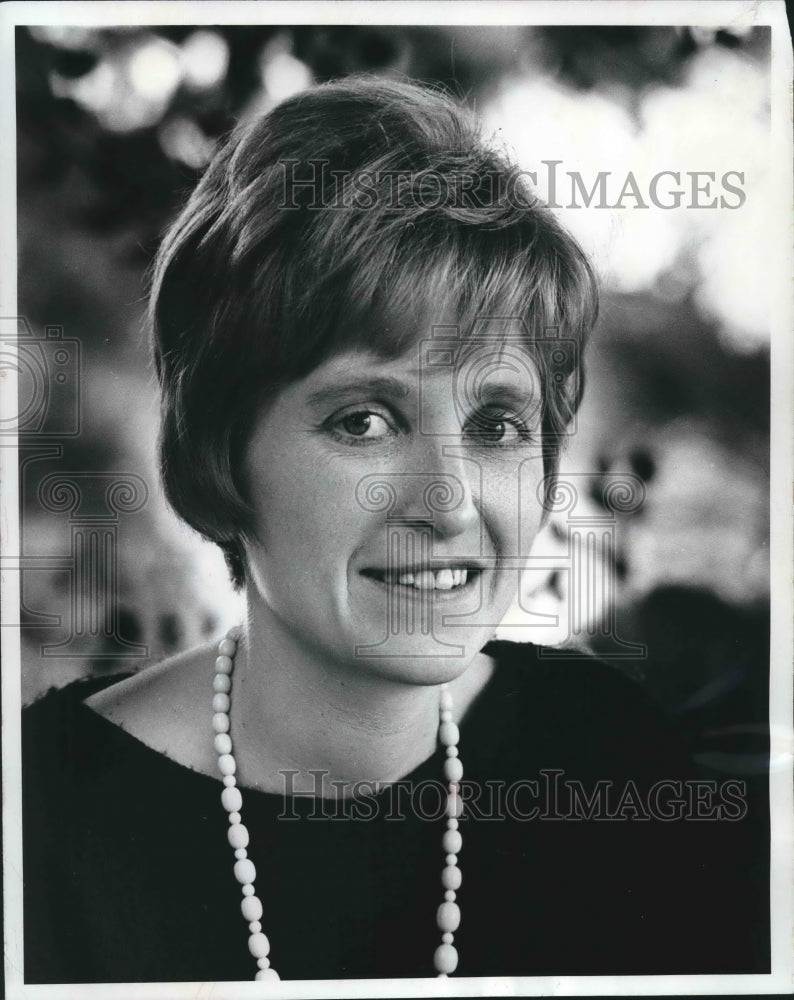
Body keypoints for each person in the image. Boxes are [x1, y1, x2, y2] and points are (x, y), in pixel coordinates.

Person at [22, 75, 767, 984]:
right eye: (365, 421)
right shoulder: (41, 817)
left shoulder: (605, 758)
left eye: (497, 425)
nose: (448, 504)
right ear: (221, 453)